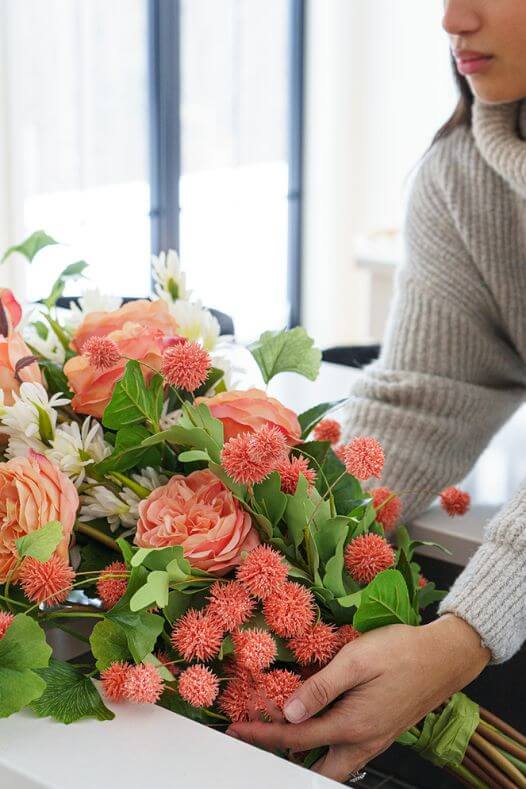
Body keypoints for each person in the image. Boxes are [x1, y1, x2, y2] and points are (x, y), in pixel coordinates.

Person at [227, 0, 526, 781]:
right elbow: (428, 394)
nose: (453, 19)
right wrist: (273, 519)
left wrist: (463, 637)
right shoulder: (463, 177)